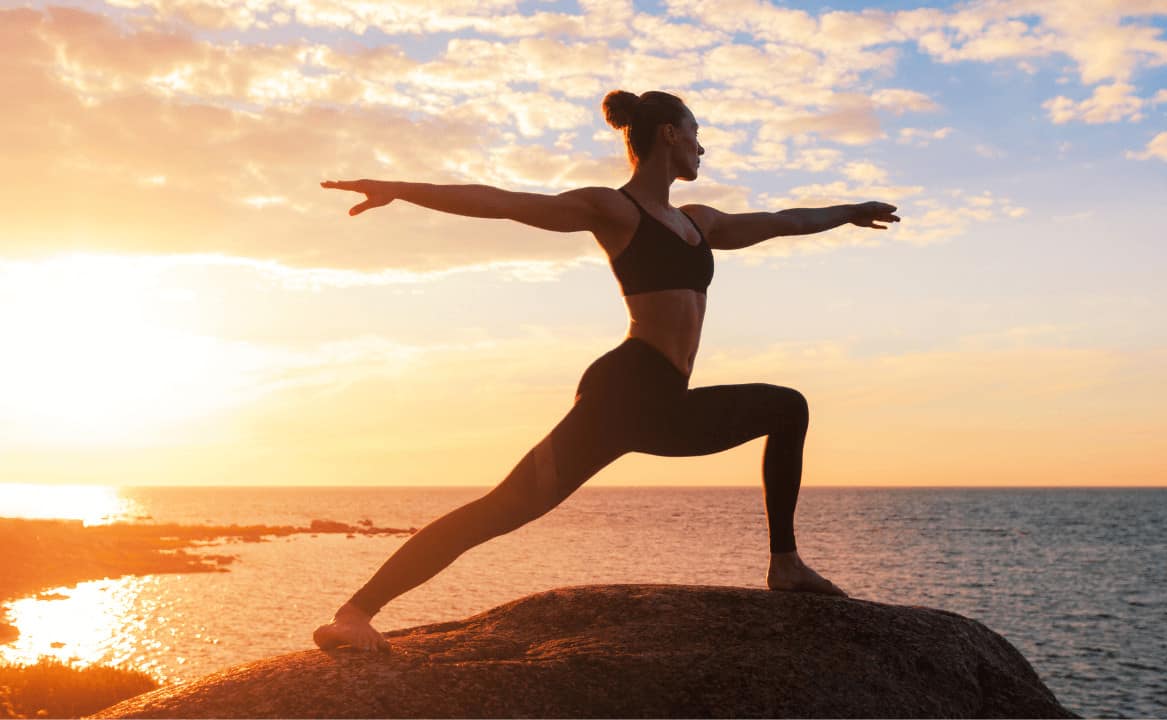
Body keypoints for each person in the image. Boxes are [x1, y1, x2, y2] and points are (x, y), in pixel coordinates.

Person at [314, 89, 900, 652]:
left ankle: (786, 565)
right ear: (669, 135)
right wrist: (397, 189)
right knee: (504, 509)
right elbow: (502, 201)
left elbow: (782, 220)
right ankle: (355, 613)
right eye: (697, 134)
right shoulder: (613, 209)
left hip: (669, 403)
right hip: (622, 396)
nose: (703, 147)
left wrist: (851, 212)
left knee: (787, 406)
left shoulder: (700, 223)